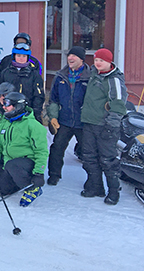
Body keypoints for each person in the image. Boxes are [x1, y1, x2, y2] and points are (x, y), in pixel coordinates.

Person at [80, 48, 127, 205]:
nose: (98, 63)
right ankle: (96, 187)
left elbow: (119, 104)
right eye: (96, 60)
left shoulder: (113, 79)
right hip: (89, 123)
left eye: (102, 60)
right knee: (89, 157)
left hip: (105, 126)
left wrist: (112, 124)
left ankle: (113, 191)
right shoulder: (94, 75)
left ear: (109, 62)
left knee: (107, 160)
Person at [0, 92, 48, 207]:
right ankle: (17, 184)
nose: (4, 107)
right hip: (9, 165)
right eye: (4, 103)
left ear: (17, 106)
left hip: (27, 163)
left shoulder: (33, 125)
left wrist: (39, 173)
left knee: (12, 165)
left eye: (7, 104)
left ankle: (32, 188)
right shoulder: (6, 123)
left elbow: (42, 151)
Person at [47, 46, 91, 186]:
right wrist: (53, 117)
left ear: (81, 60)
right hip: (64, 121)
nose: (70, 58)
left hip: (83, 122)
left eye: (74, 56)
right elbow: (53, 99)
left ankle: (93, 181)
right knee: (56, 148)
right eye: (69, 55)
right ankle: (54, 175)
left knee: (89, 153)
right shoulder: (60, 76)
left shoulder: (90, 77)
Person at [0, 43, 44, 123]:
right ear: (14, 56)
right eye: (18, 56)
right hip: (8, 111)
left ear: (28, 57)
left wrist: (35, 112)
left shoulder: (34, 74)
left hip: (27, 112)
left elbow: (38, 95)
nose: (21, 58)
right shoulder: (5, 73)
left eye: (24, 56)